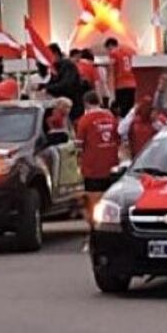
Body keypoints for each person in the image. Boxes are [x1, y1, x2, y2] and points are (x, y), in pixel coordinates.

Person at [75, 91, 119, 244]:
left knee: (93, 200)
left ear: (86, 103)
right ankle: (110, 230)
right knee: (110, 200)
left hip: (92, 168)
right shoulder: (111, 118)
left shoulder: (84, 120)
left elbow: (79, 146)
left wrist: (78, 163)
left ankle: (96, 231)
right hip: (112, 165)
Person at [44, 43, 83, 121]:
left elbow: (66, 84)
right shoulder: (56, 67)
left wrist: (48, 89)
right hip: (64, 105)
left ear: (55, 54)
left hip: (72, 106)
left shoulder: (67, 65)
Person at [118, 95, 159, 159]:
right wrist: (132, 112)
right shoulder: (133, 120)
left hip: (152, 158)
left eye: (149, 107)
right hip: (136, 159)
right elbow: (120, 130)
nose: (146, 109)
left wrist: (156, 121)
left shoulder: (154, 122)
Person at [105, 37, 137, 117]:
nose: (108, 51)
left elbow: (111, 66)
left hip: (121, 84)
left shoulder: (113, 53)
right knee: (130, 108)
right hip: (132, 83)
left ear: (110, 46)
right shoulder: (128, 51)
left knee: (122, 110)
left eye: (108, 49)